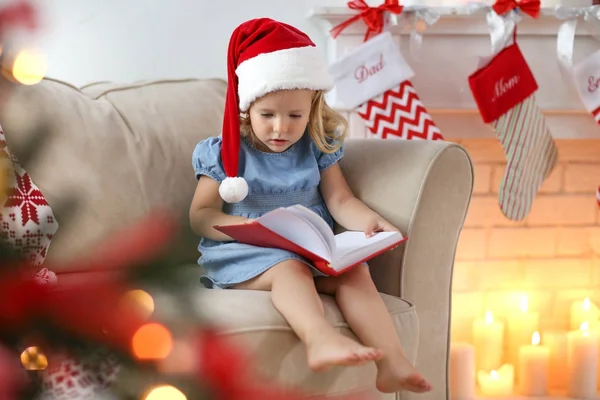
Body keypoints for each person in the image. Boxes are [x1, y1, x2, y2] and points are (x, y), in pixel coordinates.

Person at [189, 17, 432, 394]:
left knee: (355, 274)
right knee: (289, 270)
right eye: (267, 114)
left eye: (295, 116)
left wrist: (371, 222)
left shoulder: (317, 146)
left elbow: (340, 200)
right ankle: (319, 338)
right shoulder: (223, 153)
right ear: (246, 105)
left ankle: (393, 362)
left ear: (313, 109)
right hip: (249, 252)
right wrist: (245, 229)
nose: (280, 128)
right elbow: (200, 216)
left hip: (311, 247)